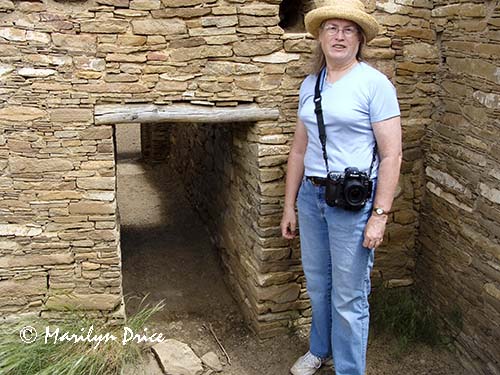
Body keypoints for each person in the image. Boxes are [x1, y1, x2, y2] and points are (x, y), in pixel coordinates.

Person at [280, 1, 402, 374]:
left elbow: (392, 155)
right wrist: (289, 205)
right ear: (319, 36)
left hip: (352, 205)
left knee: (349, 296)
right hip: (312, 197)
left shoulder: (374, 84)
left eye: (348, 29)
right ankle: (320, 349)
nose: (339, 35)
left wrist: (379, 215)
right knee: (318, 284)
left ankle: (350, 370)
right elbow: (299, 150)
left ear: (360, 38)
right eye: (331, 28)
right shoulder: (310, 85)